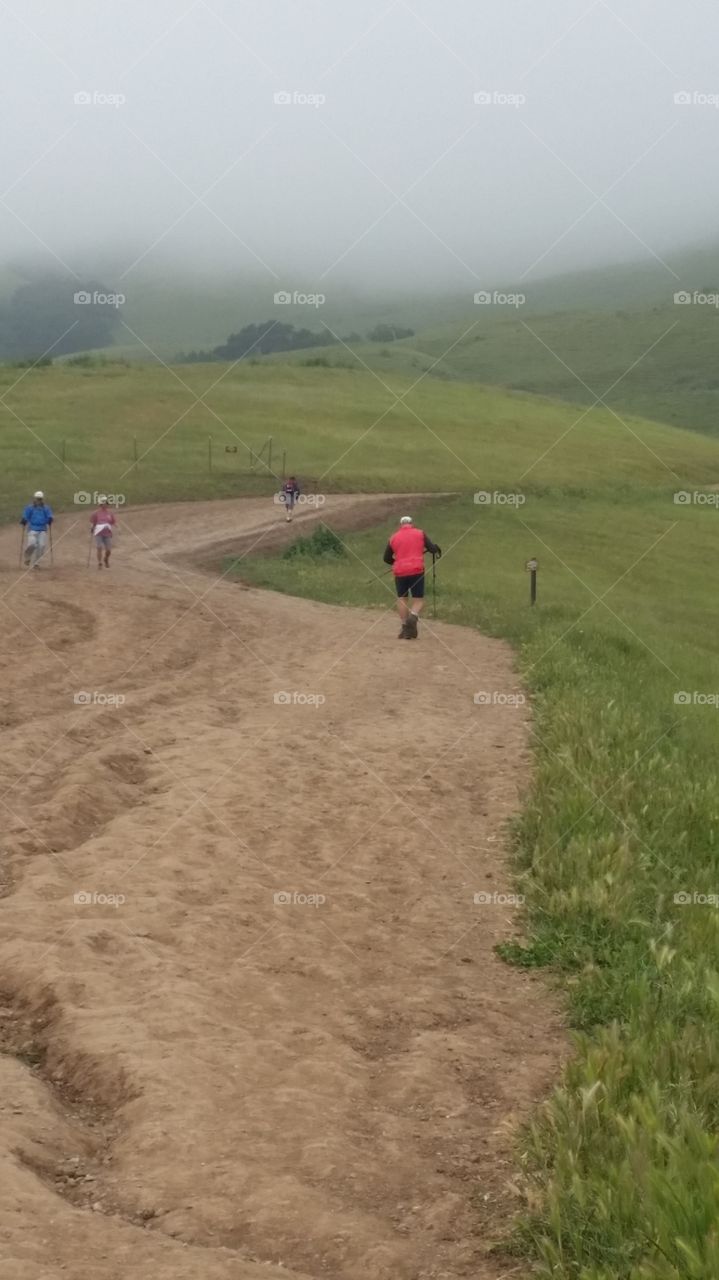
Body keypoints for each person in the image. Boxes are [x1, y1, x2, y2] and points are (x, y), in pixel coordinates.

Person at [383, 515, 441, 640]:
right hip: (416, 570)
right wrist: (435, 548)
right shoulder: (420, 533)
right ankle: (413, 616)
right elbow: (432, 549)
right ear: (411, 523)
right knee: (418, 599)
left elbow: (386, 558)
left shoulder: (393, 537)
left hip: (400, 572)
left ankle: (405, 627)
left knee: (402, 598)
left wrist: (397, 563)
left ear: (401, 524)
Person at [20, 490, 53, 568]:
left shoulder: (46, 508)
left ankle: (36, 563)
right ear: (34, 499)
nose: (39, 500)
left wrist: (50, 519)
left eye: (40, 499)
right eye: (37, 499)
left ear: (42, 499)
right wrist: (24, 520)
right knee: (32, 544)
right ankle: (27, 557)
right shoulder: (30, 508)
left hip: (42, 529)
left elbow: (49, 515)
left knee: (41, 546)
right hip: (32, 529)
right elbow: (25, 515)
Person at [90, 496, 116, 569]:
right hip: (99, 533)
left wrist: (117, 527)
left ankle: (106, 559)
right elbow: (93, 522)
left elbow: (113, 522)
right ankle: (99, 563)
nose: (106, 504)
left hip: (107, 533)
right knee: (99, 547)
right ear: (101, 504)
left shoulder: (110, 513)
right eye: (104, 503)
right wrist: (92, 527)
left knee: (108, 550)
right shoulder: (95, 513)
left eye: (107, 503)